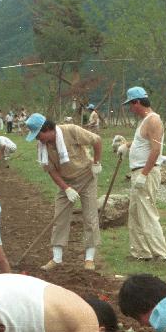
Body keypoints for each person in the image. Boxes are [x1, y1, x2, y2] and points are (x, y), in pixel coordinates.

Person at [24, 113, 103, 271]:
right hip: (66, 181)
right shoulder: (42, 146)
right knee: (59, 217)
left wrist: (96, 162)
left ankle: (89, 259)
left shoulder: (71, 131)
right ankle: (57, 258)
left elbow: (97, 140)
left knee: (90, 217)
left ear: (47, 129)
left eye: (39, 135)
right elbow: (51, 170)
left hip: (86, 176)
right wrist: (66, 188)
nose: (38, 140)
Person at [122, 86, 166, 261]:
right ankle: (141, 253)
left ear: (137, 102)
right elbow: (142, 143)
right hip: (138, 171)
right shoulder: (144, 121)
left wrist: (144, 174)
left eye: (131, 104)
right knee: (135, 214)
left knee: (147, 213)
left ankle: (162, 254)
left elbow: (156, 149)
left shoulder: (153, 120)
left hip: (146, 172)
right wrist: (126, 146)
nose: (130, 108)